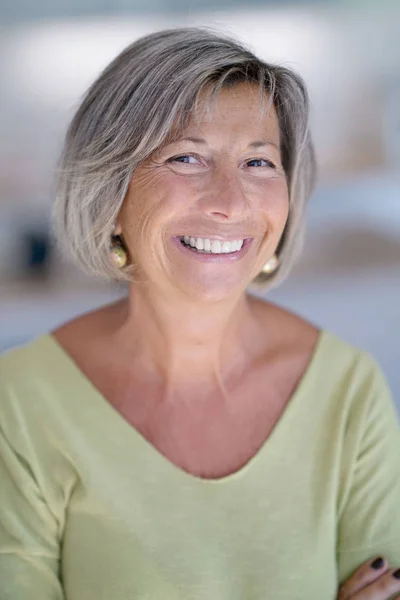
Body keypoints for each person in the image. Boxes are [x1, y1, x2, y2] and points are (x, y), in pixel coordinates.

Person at [0, 27, 399, 600]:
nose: (230, 202)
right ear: (110, 193)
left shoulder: (347, 391)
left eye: (259, 162)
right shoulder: (21, 400)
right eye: (186, 157)